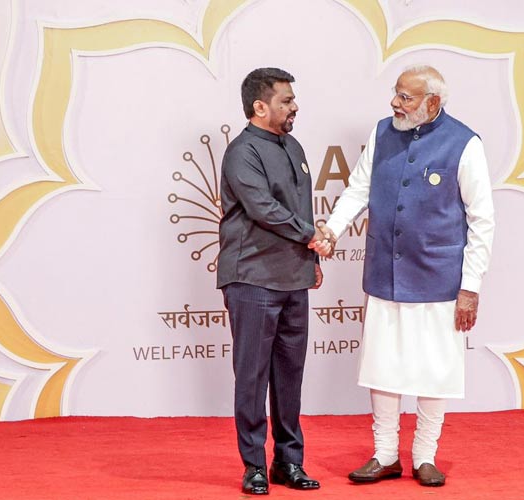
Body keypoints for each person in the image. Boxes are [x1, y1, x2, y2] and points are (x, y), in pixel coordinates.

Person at [311, 65, 494, 487]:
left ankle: (425, 456)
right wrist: (333, 230)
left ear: (433, 102)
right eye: (396, 93)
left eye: (406, 97)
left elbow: (482, 219)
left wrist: (470, 287)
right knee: (382, 366)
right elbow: (358, 189)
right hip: (385, 272)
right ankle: (385, 454)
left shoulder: (464, 143)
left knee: (435, 369)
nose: (395, 103)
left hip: (439, 279)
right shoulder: (382, 133)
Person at [217, 67, 324, 495]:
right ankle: (254, 466)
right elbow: (263, 208)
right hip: (252, 277)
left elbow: (301, 208)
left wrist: (311, 259)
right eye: (286, 100)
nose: (295, 106)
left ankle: (289, 462)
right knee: (252, 376)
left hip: (294, 278)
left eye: (293, 99)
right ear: (260, 106)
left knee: (289, 377)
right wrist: (311, 236)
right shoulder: (242, 152)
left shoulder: (294, 146)